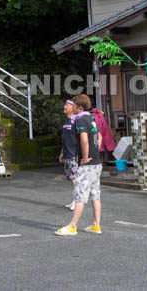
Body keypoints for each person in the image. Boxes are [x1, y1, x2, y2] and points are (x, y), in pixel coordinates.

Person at [56, 94, 102, 236]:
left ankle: (73, 226)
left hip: (88, 164)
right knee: (95, 195)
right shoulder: (91, 119)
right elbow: (98, 137)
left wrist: (85, 157)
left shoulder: (80, 120)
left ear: (79, 108)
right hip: (97, 163)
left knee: (80, 195)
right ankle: (96, 225)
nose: (72, 106)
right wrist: (94, 153)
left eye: (74, 105)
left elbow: (84, 140)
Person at [58, 99, 79, 210]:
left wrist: (79, 154)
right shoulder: (66, 121)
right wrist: (62, 152)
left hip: (74, 154)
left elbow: (80, 138)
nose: (65, 106)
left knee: (75, 179)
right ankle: (75, 200)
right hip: (67, 153)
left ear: (73, 107)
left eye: (67, 105)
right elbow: (66, 139)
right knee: (72, 178)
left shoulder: (76, 121)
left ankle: (77, 202)